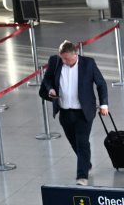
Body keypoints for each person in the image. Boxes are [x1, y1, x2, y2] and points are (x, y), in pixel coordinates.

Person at [39, 39, 109, 186]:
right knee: (74, 142)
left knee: (82, 142)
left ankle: (82, 176)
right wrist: (51, 89)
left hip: (83, 112)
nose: (64, 61)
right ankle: (86, 163)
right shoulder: (55, 61)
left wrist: (104, 104)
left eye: (67, 58)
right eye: (62, 58)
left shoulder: (88, 64)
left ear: (75, 54)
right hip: (65, 111)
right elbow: (47, 79)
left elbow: (101, 84)